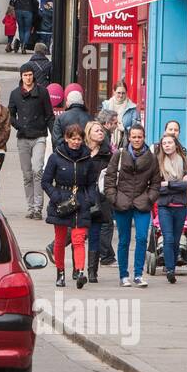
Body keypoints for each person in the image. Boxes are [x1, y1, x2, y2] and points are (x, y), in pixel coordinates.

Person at [43, 121, 97, 289]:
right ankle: (60, 273)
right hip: (61, 201)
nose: (76, 142)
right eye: (72, 138)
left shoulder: (87, 159)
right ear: (66, 138)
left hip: (80, 202)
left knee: (78, 239)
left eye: (79, 139)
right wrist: (56, 196)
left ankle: (80, 272)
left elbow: (91, 183)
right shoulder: (56, 157)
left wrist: (89, 200)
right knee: (60, 241)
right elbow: (45, 181)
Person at [105, 124, 160, 288]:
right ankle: (123, 275)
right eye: (134, 137)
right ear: (129, 137)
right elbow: (109, 178)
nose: (137, 140)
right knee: (124, 240)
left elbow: (156, 183)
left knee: (142, 238)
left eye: (140, 137)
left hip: (142, 202)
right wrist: (114, 198)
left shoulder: (151, 158)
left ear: (144, 138)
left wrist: (149, 199)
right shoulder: (119, 154)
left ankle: (138, 274)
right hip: (122, 201)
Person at [9, 63, 54, 220]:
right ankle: (30, 207)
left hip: (39, 136)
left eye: (29, 75)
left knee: (37, 170)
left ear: (33, 75)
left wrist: (53, 135)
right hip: (22, 138)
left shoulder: (42, 92)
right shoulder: (15, 94)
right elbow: (10, 114)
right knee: (27, 175)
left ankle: (37, 208)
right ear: (21, 77)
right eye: (24, 75)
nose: (27, 78)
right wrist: (18, 126)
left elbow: (49, 115)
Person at [155, 132, 187, 284]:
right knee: (168, 238)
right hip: (164, 206)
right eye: (164, 144)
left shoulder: (186, 163)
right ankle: (170, 270)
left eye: (169, 143)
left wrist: (169, 184)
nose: (167, 146)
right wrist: (178, 184)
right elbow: (157, 187)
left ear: (176, 144)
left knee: (177, 240)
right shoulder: (158, 163)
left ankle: (172, 265)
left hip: (180, 206)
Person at [84, 120, 115, 281]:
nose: (101, 133)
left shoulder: (108, 154)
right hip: (82, 198)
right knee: (79, 235)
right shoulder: (81, 152)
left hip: (101, 199)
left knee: (95, 234)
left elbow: (113, 176)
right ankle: (77, 270)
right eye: (97, 131)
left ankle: (92, 272)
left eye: (102, 131)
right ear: (88, 134)